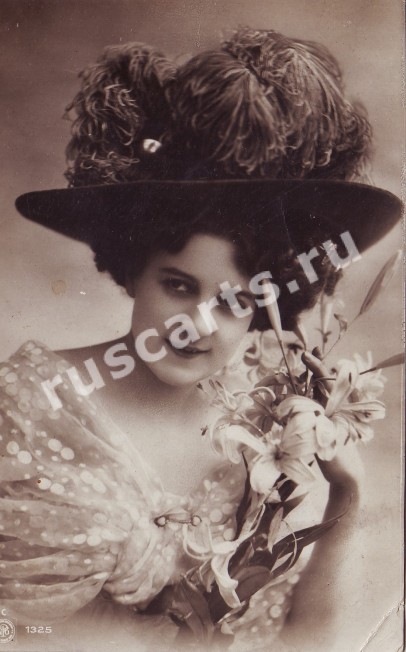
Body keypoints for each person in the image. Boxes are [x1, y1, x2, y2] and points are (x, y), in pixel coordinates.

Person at [0, 27, 401, 651]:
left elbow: (305, 643)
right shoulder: (32, 403)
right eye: (179, 286)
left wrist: (345, 497)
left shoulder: (262, 432)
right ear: (133, 271)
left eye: (236, 301)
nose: (199, 325)